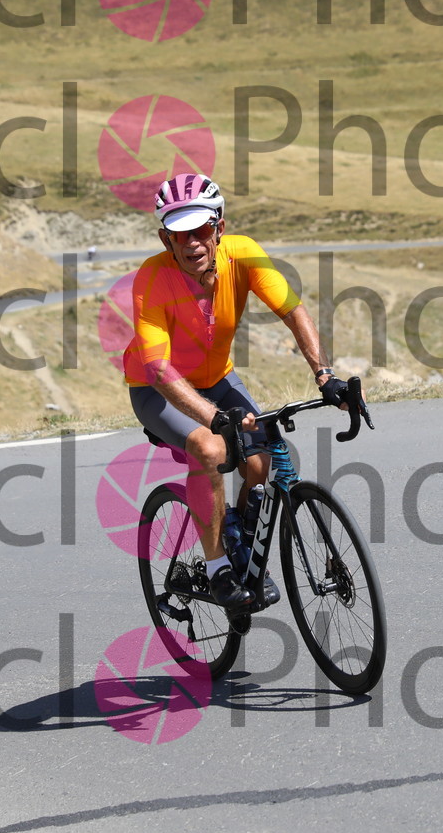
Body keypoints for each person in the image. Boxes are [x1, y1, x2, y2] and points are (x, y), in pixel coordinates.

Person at [126, 174, 349, 611]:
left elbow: (293, 311)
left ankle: (241, 539)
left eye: (201, 230)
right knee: (210, 449)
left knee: (260, 458)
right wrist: (213, 419)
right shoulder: (151, 278)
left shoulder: (244, 254)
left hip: (218, 377)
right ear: (165, 238)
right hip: (158, 389)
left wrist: (326, 376)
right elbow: (158, 367)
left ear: (219, 228)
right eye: (179, 234)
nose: (192, 243)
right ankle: (217, 570)